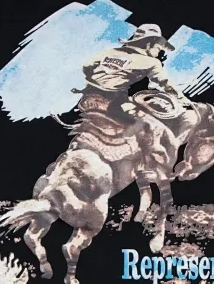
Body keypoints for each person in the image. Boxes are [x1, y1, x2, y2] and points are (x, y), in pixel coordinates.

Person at [79, 24, 189, 179]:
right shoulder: (151, 62)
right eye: (158, 48)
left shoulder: (110, 52)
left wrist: (99, 80)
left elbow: (87, 66)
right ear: (149, 44)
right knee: (152, 127)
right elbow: (166, 84)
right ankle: (149, 169)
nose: (159, 52)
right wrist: (184, 101)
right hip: (112, 103)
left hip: (87, 99)